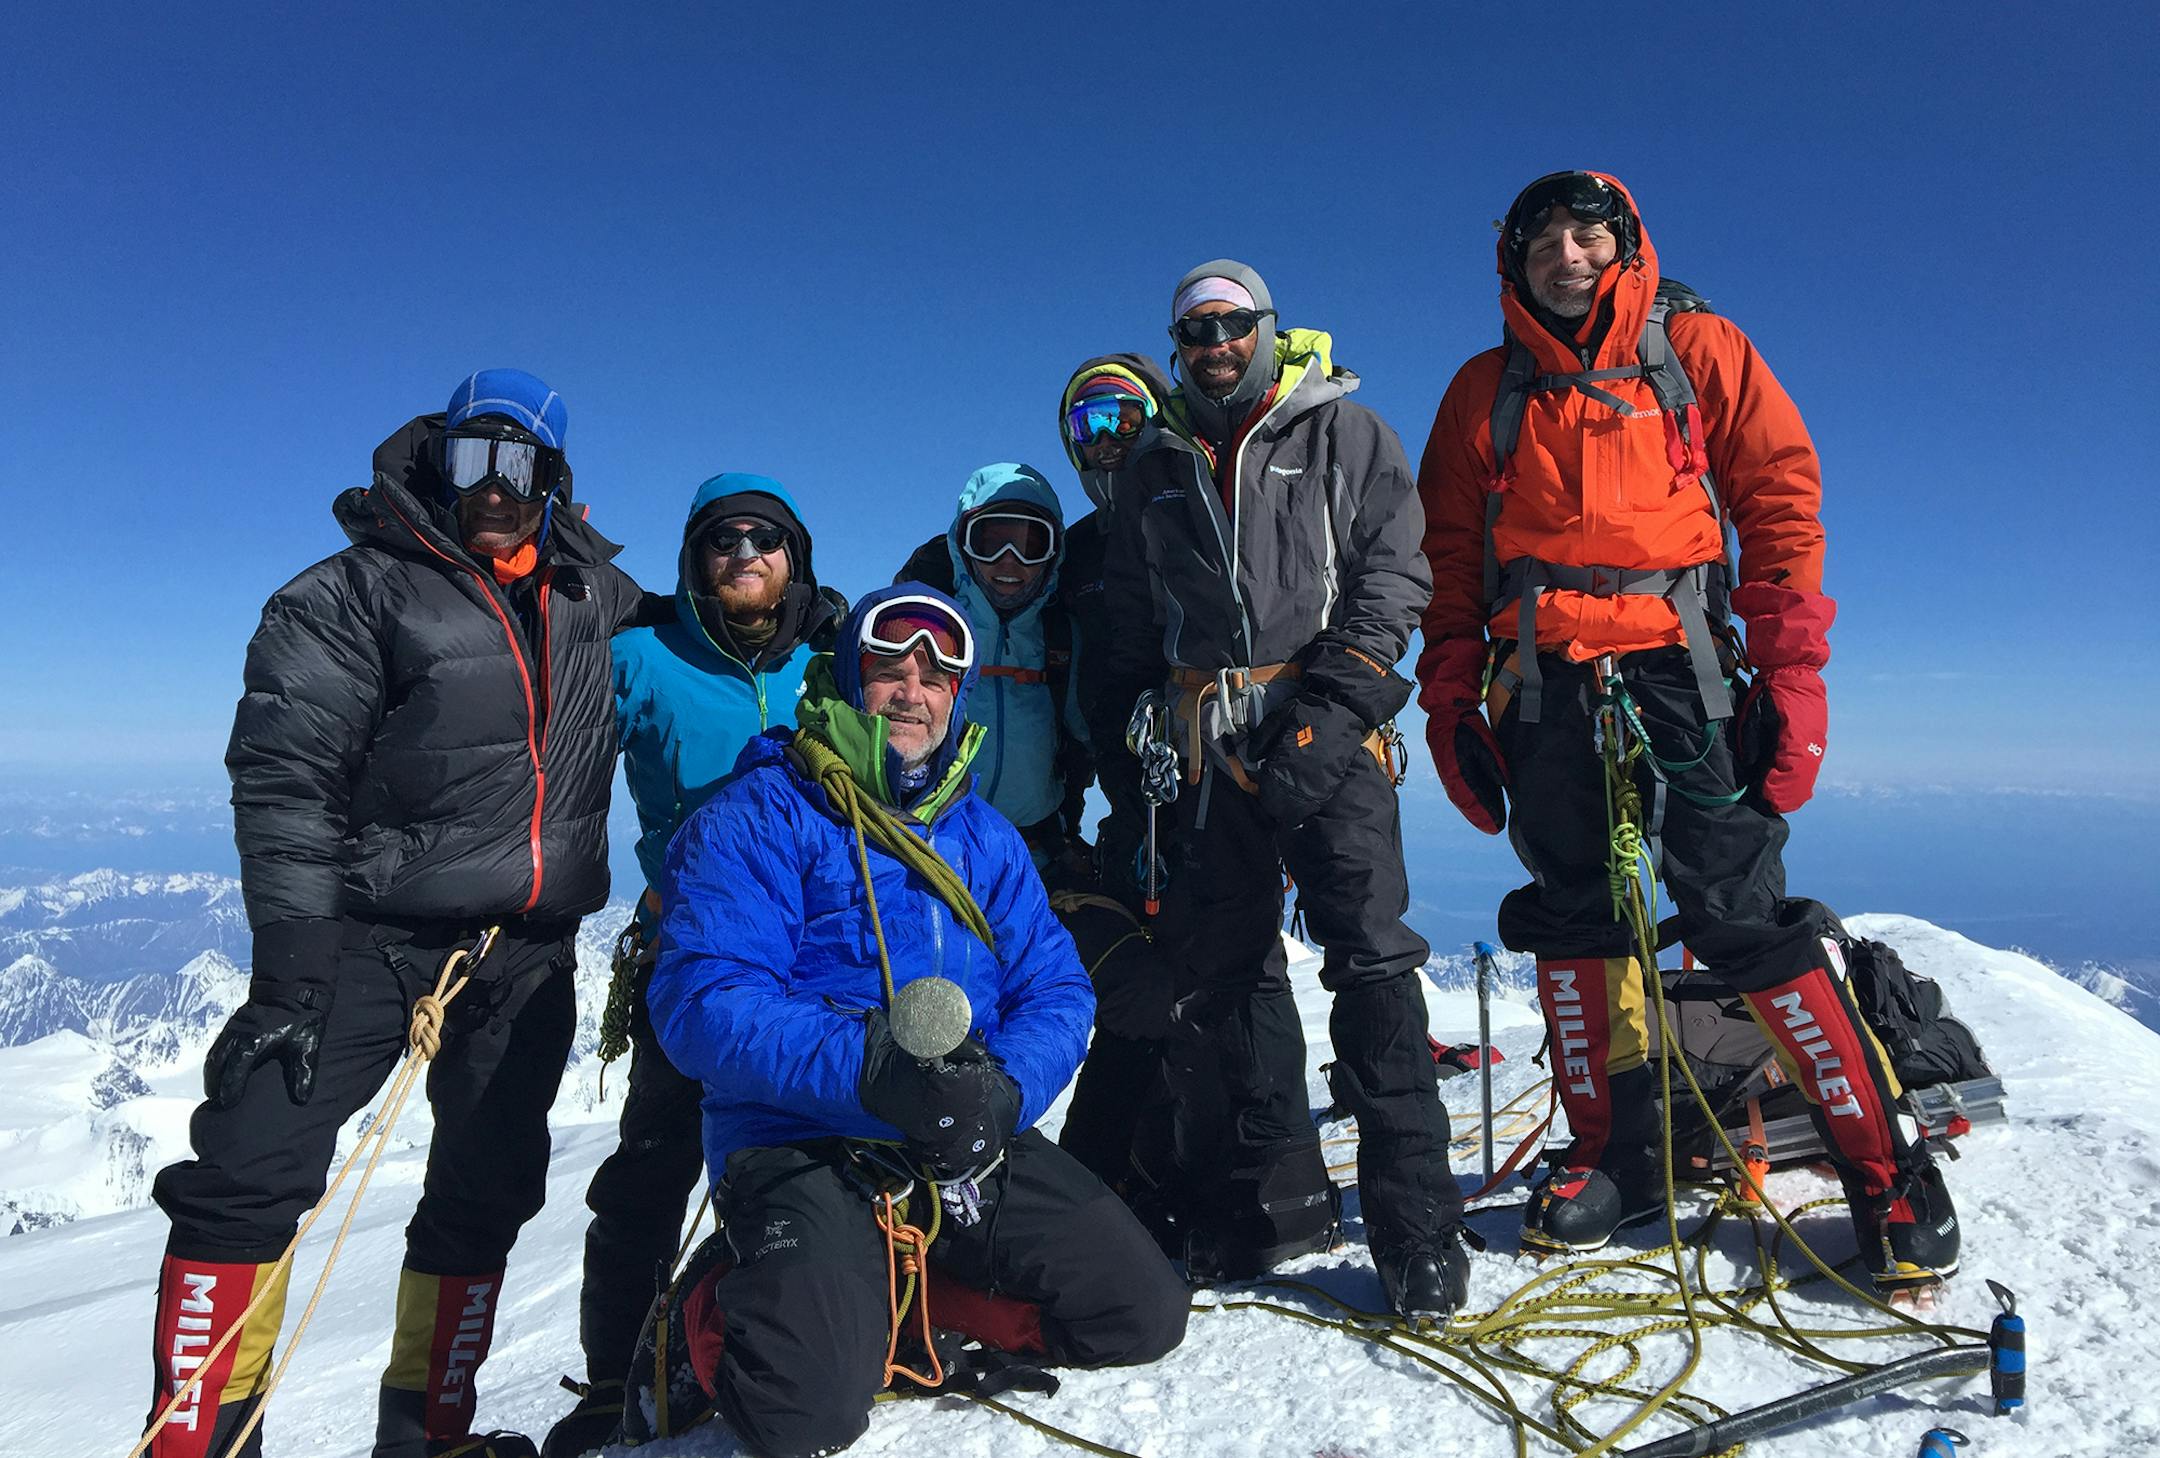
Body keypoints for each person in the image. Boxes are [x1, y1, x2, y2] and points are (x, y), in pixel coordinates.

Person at [1414, 170, 1959, 1292]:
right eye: (1543, 240)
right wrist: (1451, 701)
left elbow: (1780, 505)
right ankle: (1616, 1152)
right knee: (1574, 911)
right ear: (1510, 261)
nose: (1566, 254)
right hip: (1544, 682)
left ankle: (1884, 1162)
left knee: (1739, 907)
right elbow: (1446, 564)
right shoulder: (1484, 393)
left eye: (1587, 233)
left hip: (1684, 667)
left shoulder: (1700, 349)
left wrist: (1796, 677)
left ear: (1624, 243)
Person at [143, 370, 658, 1458]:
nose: (495, 488)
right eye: (474, 457)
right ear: (437, 457)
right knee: (245, 1171)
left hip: (521, 955)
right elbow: (286, 783)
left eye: (522, 466)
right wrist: (291, 975)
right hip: (368, 942)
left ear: (557, 485)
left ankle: (430, 1436)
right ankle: (197, 1444)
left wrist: (807, 618)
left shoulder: (587, 597)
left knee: (486, 1189)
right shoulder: (349, 594)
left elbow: (703, 631)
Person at [626, 585, 1188, 1458]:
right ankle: (707, 1313)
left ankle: (909, 1309)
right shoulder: (763, 816)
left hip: (962, 1127)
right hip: (801, 1135)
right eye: (890, 666)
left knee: (1141, 1313)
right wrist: (873, 1069)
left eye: (936, 673)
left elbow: (1058, 987)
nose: (912, 690)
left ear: (956, 695)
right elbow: (703, 1000)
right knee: (802, 1414)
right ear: (851, 677)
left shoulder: (983, 836)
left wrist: (1006, 1092)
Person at [1094, 262, 1467, 1319]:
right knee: (1230, 978)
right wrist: (1128, 729)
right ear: (1176, 345)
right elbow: (1131, 616)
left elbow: (1398, 576)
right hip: (1205, 744)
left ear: (1267, 327)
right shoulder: (1155, 464)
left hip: (1328, 733)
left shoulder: (1345, 434)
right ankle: (1258, 1202)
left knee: (1372, 962)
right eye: (1195, 329)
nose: (1216, 341)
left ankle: (1416, 1224)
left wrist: (1332, 712)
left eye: (1232, 323)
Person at [543, 475, 842, 1458]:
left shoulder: (836, 658)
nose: (744, 553)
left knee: (818, 1154)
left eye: (765, 539)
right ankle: (609, 1382)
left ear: (794, 557)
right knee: (654, 1167)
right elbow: (539, 727)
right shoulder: (642, 658)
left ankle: (809, 1335)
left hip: (818, 952)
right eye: (722, 541)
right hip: (697, 955)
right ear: (694, 562)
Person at [1046, 357, 1187, 1193]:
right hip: (1131, 809)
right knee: (1145, 989)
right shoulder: (1076, 555)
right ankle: (1115, 1175)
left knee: (1212, 987)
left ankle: (1206, 1170)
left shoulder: (1203, 512)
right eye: (1086, 427)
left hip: (1222, 791)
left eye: (1122, 419)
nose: (1105, 445)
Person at [893, 464, 1090, 876]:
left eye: (1029, 545)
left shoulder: (1062, 638)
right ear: (963, 548)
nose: (1009, 561)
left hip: (1036, 858)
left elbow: (1092, 736)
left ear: (1053, 555)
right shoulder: (930, 630)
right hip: (932, 856)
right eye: (990, 542)